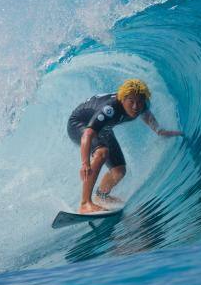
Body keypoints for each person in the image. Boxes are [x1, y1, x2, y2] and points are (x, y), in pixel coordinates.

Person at [67, 78, 183, 214]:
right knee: (101, 152)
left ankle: (101, 196)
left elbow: (146, 114)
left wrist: (159, 130)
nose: (135, 106)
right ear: (123, 99)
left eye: (139, 102)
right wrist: (85, 163)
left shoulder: (142, 105)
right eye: (131, 102)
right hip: (79, 125)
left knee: (119, 171)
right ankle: (85, 203)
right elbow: (87, 134)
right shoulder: (110, 109)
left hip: (103, 128)